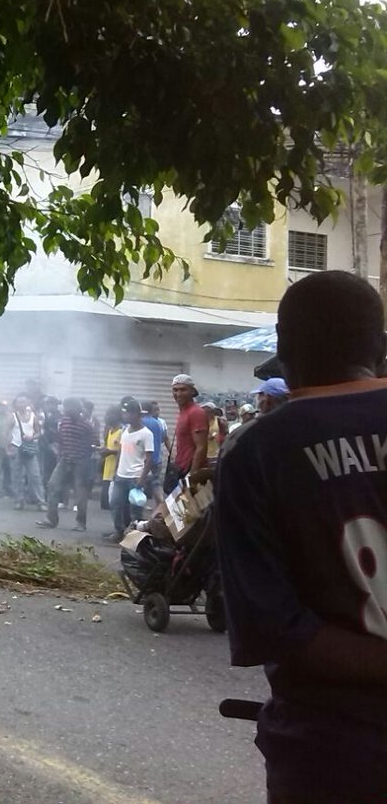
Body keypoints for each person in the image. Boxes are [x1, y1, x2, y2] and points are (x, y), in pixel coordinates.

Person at [217, 270, 387, 803]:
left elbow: (277, 628)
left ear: (284, 350)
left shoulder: (257, 453)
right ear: (379, 349)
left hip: (332, 755)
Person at [38, 397, 94, 531]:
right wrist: (60, 455)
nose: (65, 410)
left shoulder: (86, 425)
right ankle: (51, 519)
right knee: (52, 485)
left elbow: (93, 444)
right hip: (64, 459)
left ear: (76, 408)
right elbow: (60, 440)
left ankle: (81, 523)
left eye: (68, 407)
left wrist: (82, 457)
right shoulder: (63, 422)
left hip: (80, 461)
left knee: (80, 492)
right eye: (65, 407)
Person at [104, 398, 153, 543]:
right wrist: (116, 471)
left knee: (135, 509)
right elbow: (121, 451)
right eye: (124, 414)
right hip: (121, 475)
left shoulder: (146, 434)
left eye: (128, 414)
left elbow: (149, 458)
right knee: (115, 503)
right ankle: (119, 531)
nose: (125, 416)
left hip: (135, 476)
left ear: (138, 415)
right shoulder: (125, 431)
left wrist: (143, 478)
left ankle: (135, 537)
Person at [220, 378, 289, 459]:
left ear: (267, 398)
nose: (258, 399)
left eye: (260, 395)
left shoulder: (246, 433)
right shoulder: (296, 427)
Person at [167, 374, 208, 493]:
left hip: (189, 474)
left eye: (183, 389)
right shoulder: (183, 412)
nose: (178, 394)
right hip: (180, 470)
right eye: (175, 390)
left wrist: (191, 477)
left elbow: (201, 447)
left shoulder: (196, 413)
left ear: (192, 391)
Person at [8, 395, 44, 509]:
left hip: (29, 449)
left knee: (35, 475)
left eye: (23, 402)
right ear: (16, 404)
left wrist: (32, 437)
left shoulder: (34, 416)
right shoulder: (12, 417)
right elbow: (6, 433)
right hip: (16, 447)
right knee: (17, 476)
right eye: (19, 403)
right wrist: (7, 448)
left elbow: (39, 432)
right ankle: (19, 500)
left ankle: (40, 501)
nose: (21, 405)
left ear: (27, 403)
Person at [140, 399, 167, 506]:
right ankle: (160, 507)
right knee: (156, 484)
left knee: (140, 483)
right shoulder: (158, 423)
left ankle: (138, 506)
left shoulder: (141, 422)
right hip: (157, 459)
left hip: (145, 459)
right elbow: (162, 439)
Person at [99, 405, 123, 511]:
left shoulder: (122, 432)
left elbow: (125, 451)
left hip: (116, 470)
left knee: (111, 503)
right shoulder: (109, 431)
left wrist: (110, 451)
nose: (106, 417)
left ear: (117, 416)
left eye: (109, 414)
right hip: (107, 469)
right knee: (104, 504)